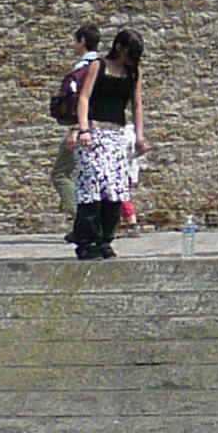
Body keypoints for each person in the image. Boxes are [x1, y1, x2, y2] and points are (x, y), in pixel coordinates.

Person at [66, 27, 143, 260]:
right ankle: (88, 239)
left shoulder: (133, 73)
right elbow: (84, 98)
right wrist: (83, 129)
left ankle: (105, 238)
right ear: (120, 47)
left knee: (115, 189)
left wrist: (139, 136)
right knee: (92, 188)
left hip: (117, 135)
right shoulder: (98, 66)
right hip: (95, 132)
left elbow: (136, 105)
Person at [51, 24, 101, 228]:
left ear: (82, 41)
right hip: (101, 128)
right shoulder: (104, 65)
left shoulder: (84, 69)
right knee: (90, 176)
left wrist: (76, 129)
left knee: (60, 174)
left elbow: (84, 100)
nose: (72, 45)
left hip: (83, 127)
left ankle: (82, 219)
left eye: (75, 40)